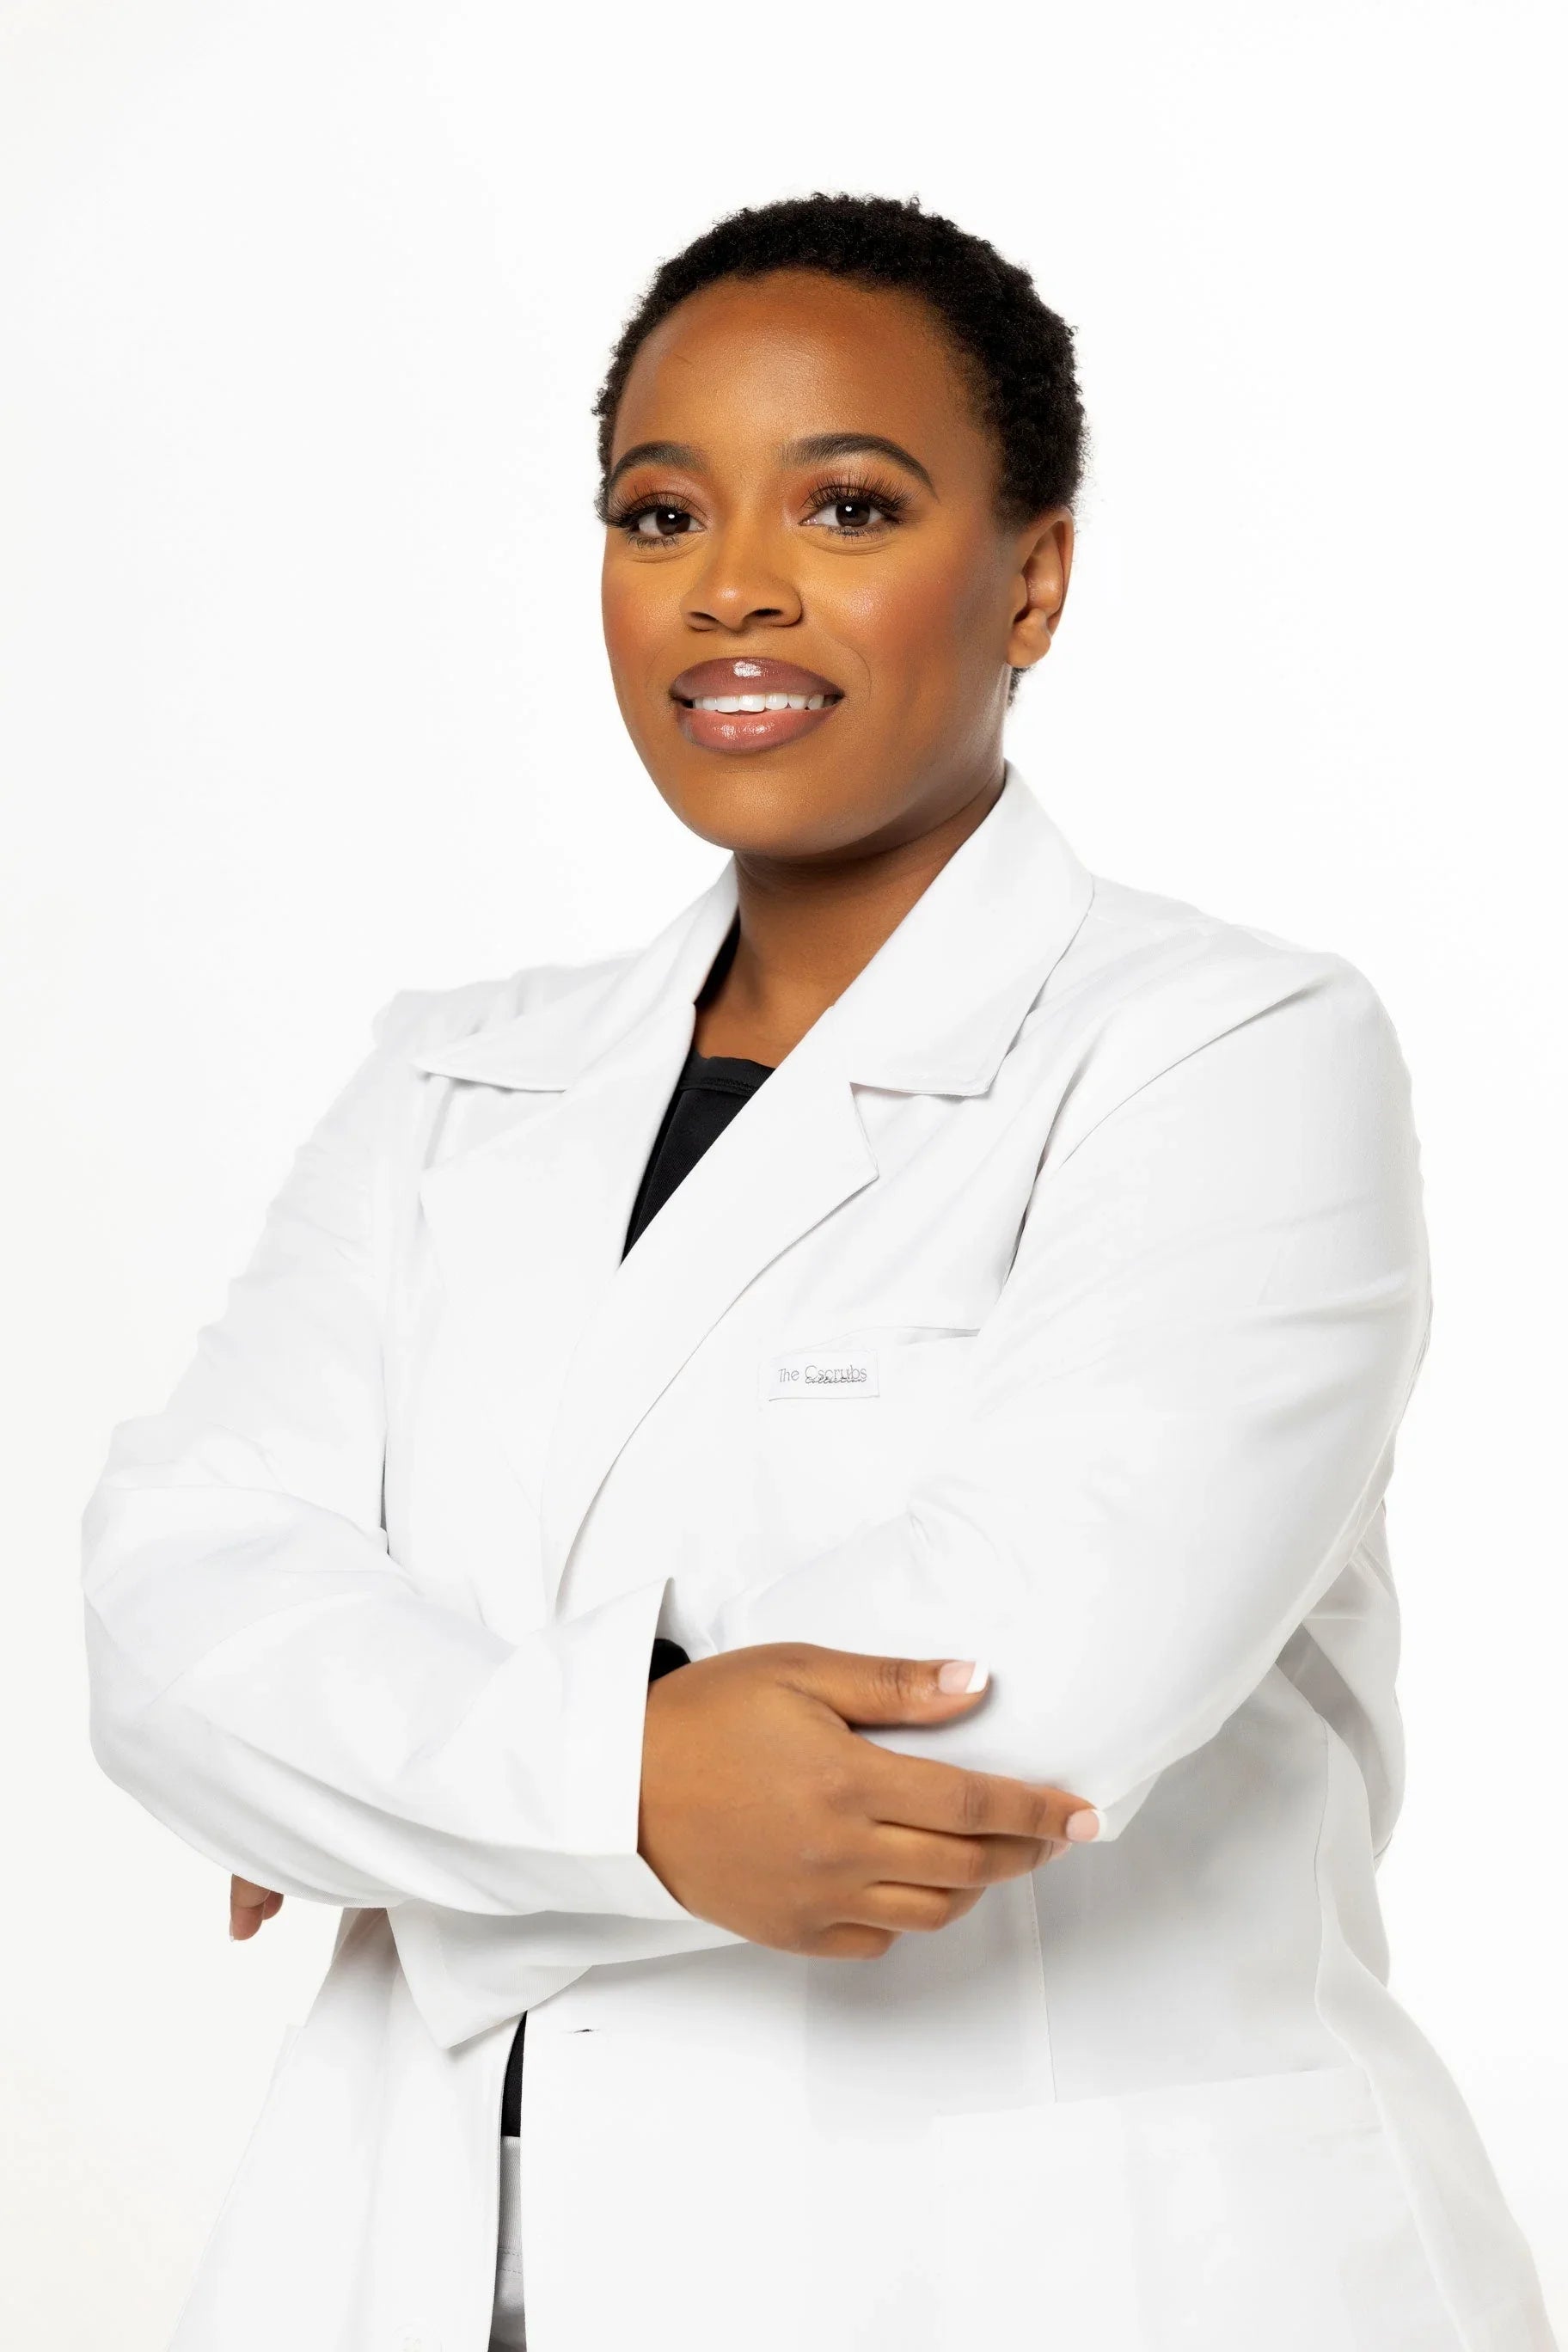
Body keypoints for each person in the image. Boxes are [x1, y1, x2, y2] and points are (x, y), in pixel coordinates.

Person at [81, 194, 1558, 2352]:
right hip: (432, 2266)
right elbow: (168, 1615)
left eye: (850, 503)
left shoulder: (1232, 1058)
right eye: (659, 512)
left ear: (1032, 575)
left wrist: (381, 1791)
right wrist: (620, 1781)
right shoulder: (451, 1082)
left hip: (1054, 2285)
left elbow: (1006, 1708)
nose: (736, 588)